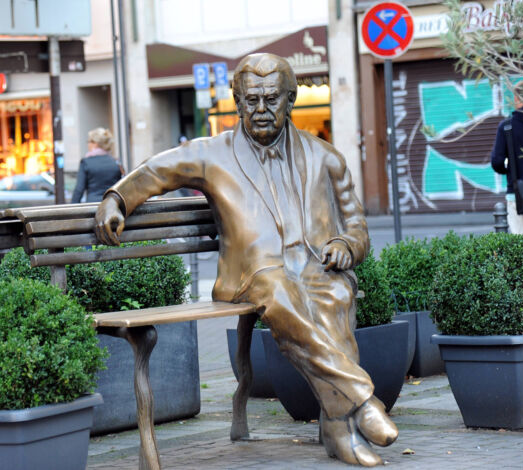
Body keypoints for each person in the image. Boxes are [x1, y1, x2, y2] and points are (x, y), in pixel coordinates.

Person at [94, 53, 397, 466]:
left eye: (271, 99)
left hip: (313, 268)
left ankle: (338, 426)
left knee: (336, 296)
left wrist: (346, 243)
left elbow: (357, 225)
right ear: (237, 102)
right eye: (250, 100)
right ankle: (362, 401)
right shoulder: (211, 153)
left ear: (290, 100)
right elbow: (155, 171)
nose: (260, 109)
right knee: (281, 292)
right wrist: (116, 198)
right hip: (252, 274)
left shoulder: (325, 157)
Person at [490, 88, 523, 237]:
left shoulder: (507, 126)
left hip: (517, 192)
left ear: (516, 99)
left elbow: (497, 161)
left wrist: (509, 168)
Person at [71, 128, 123, 203]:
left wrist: (72, 209)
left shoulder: (86, 162)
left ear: (95, 143)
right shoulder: (116, 162)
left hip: (92, 206)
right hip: (112, 205)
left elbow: (79, 190)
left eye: (88, 142)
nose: (88, 144)